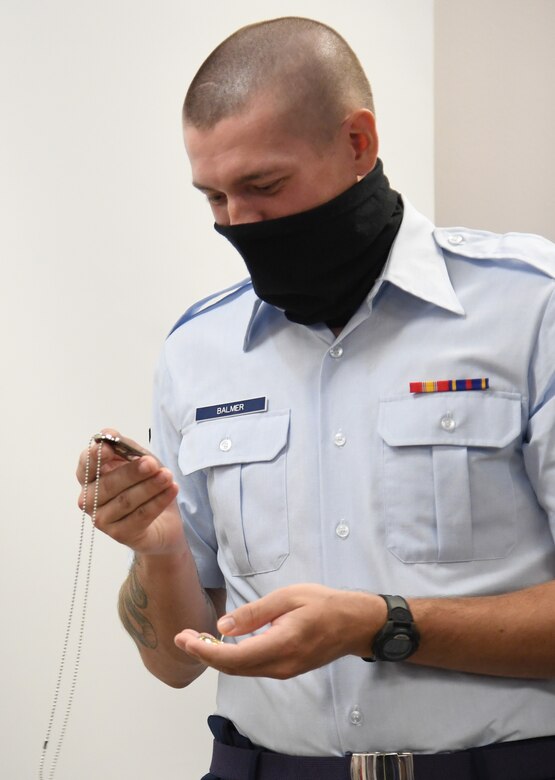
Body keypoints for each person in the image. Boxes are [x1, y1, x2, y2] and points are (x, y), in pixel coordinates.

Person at [76, 16, 555, 780]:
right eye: (214, 198)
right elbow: (174, 665)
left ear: (358, 143)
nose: (239, 222)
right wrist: (159, 548)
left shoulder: (530, 309)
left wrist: (382, 626)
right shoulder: (197, 351)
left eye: (263, 186)